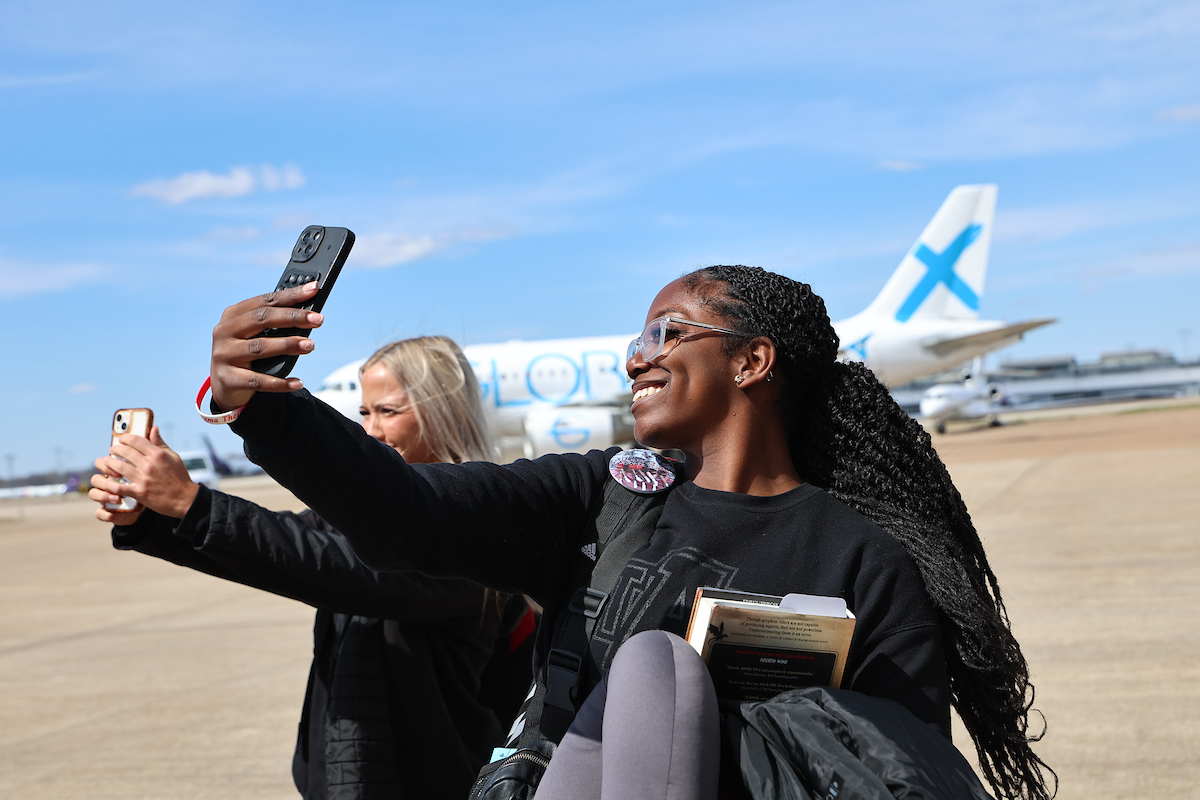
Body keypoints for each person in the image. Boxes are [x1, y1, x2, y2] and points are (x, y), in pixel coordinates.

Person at [197, 268, 1053, 800]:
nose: (636, 357)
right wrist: (267, 407)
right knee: (652, 672)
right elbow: (405, 514)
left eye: (666, 333)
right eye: (636, 337)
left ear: (752, 362)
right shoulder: (603, 498)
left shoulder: (865, 558)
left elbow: (893, 767)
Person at [90, 335, 532, 800]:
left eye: (388, 411)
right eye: (364, 413)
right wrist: (152, 517)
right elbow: (283, 543)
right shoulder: (367, 514)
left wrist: (190, 502)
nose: (371, 430)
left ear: (445, 411)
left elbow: (328, 566)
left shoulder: (467, 527)